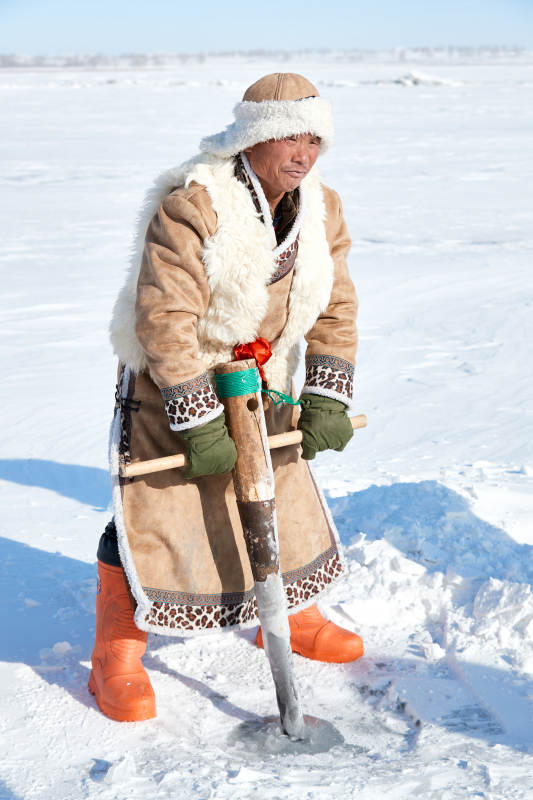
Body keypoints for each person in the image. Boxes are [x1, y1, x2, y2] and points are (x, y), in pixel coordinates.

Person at [89, 72, 363, 723]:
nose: (302, 153)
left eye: (313, 140)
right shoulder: (194, 203)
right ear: (251, 139)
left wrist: (325, 390)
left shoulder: (321, 206)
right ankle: (115, 652)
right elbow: (164, 315)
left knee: (283, 496)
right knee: (158, 510)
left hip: (261, 380)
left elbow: (336, 306)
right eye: (287, 137)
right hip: (172, 380)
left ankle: (289, 616)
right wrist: (197, 417)